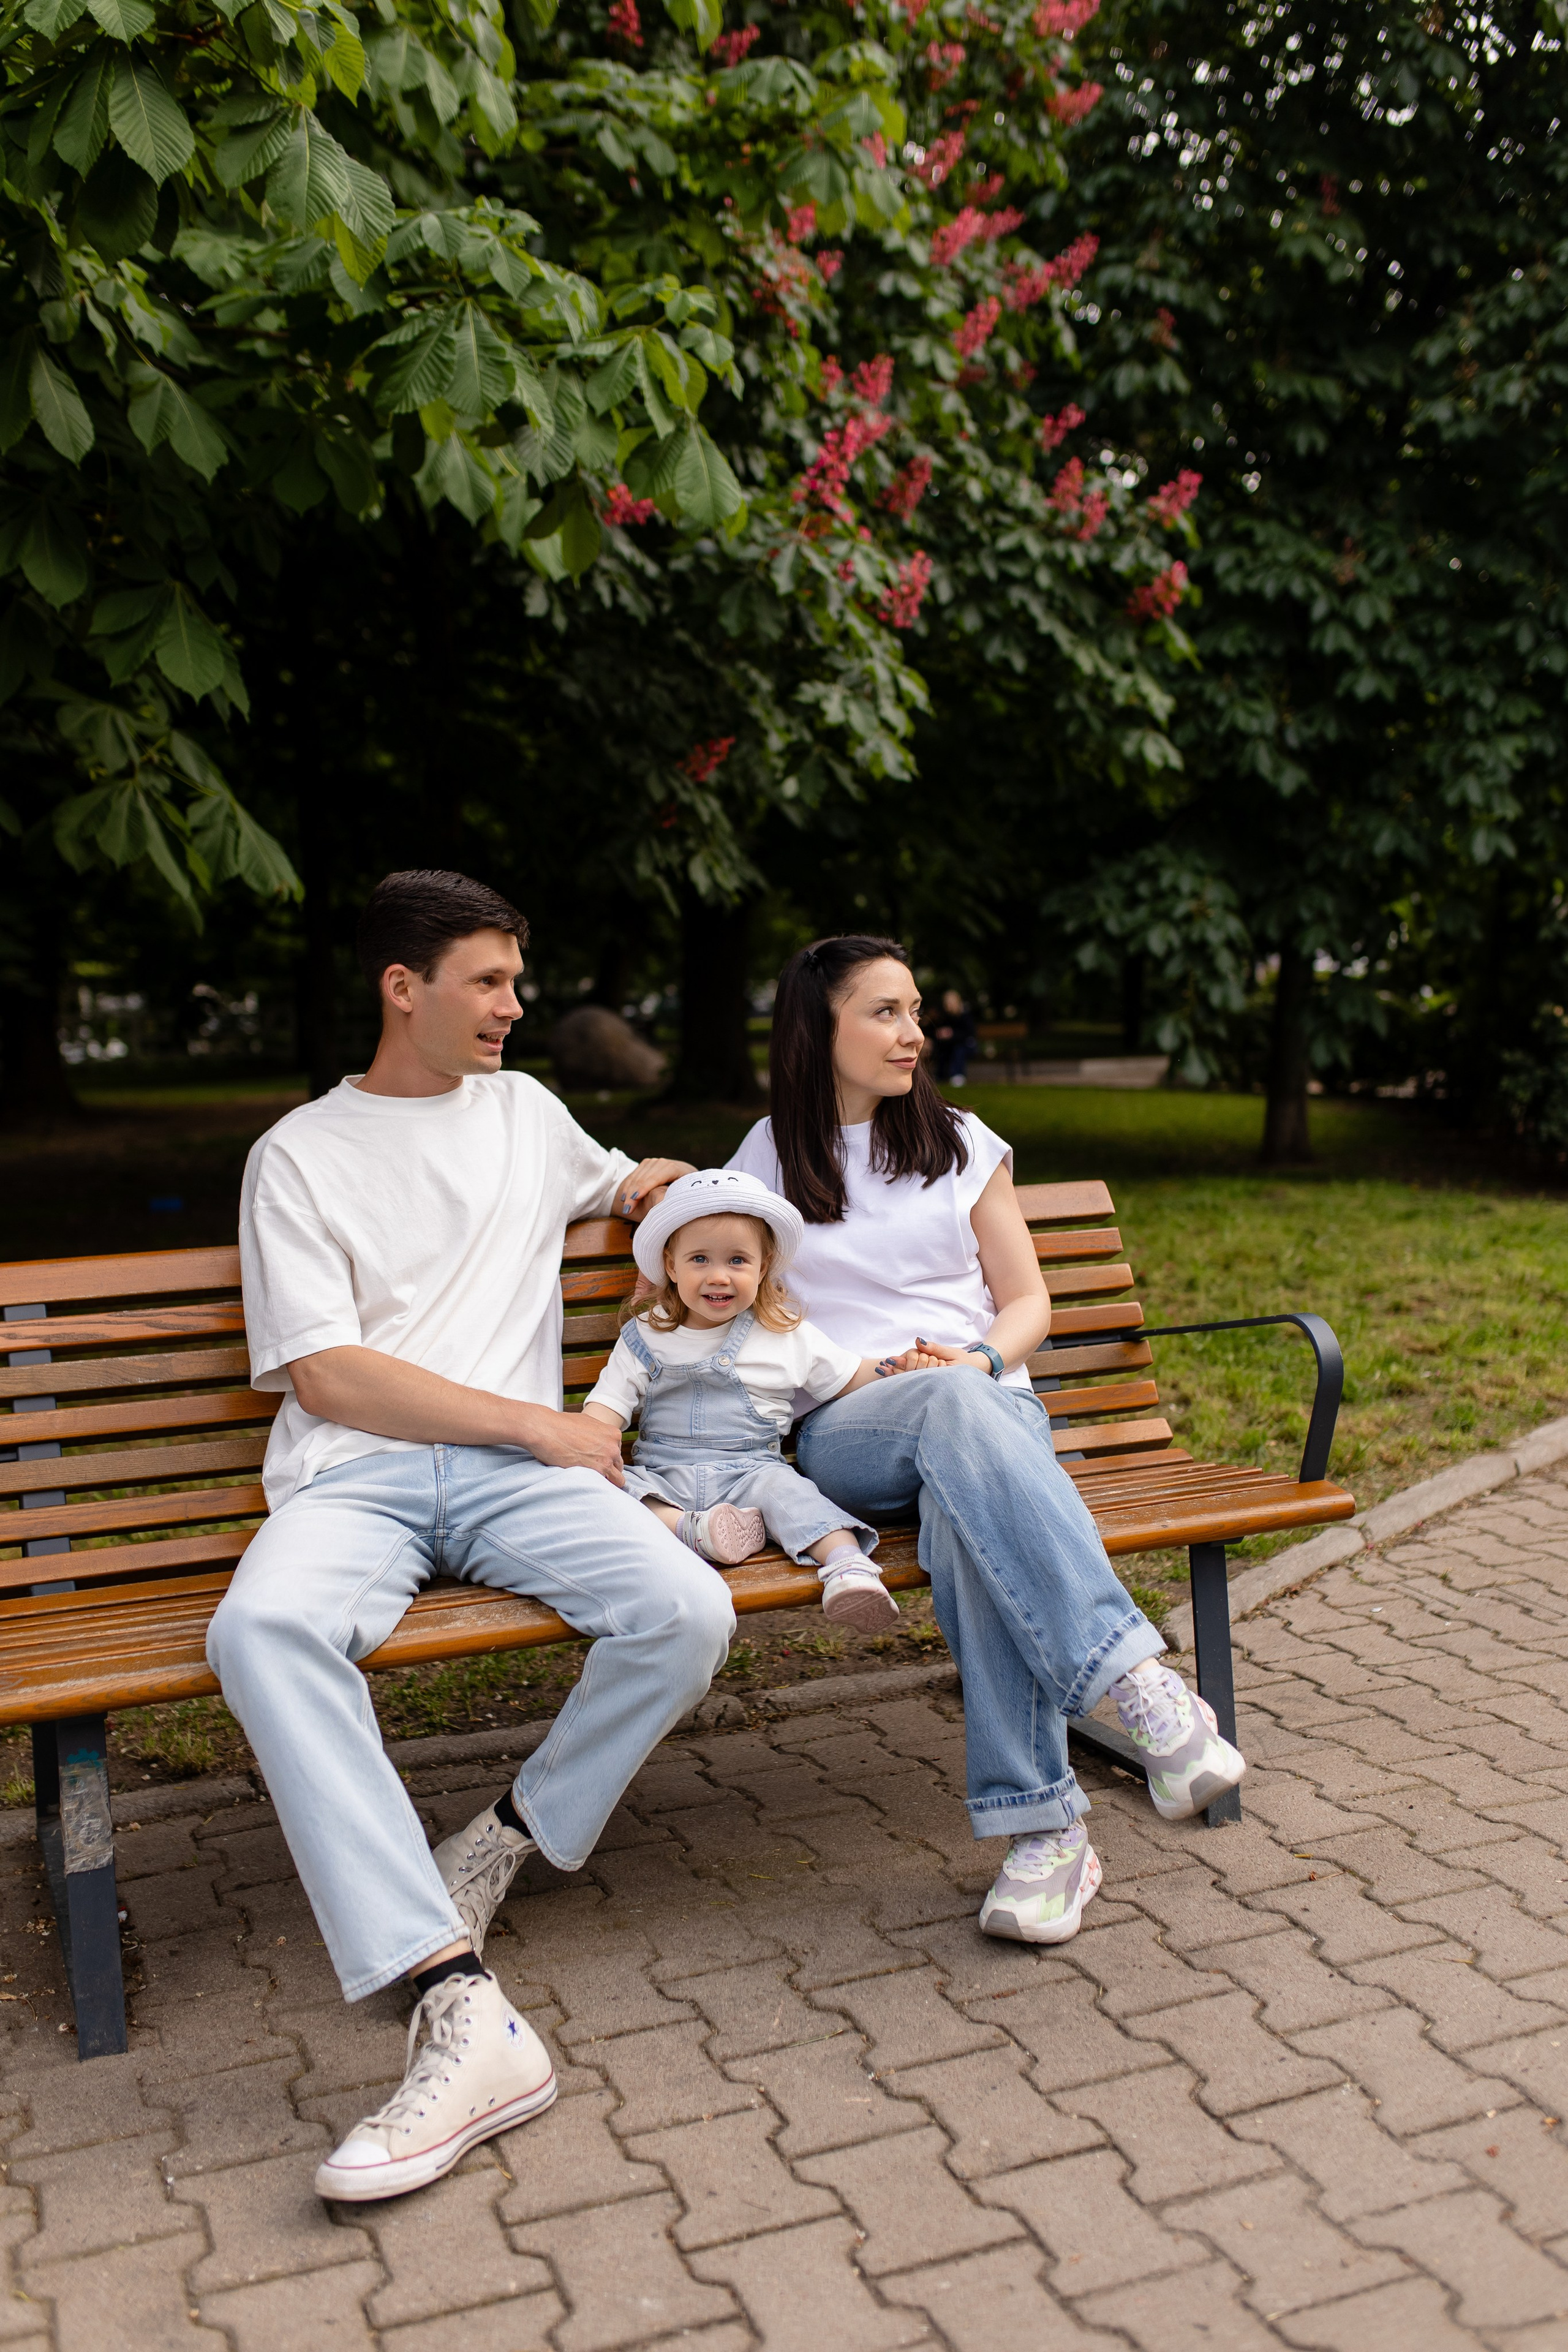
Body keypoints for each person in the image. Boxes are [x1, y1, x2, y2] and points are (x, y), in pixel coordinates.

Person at [209, 869, 724, 2204]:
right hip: (358, 1478)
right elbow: (326, 1375)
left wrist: (654, 1184)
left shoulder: (525, 1112)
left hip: (509, 1480)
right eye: (489, 981)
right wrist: (538, 1424)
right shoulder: (300, 1157)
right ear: (404, 988)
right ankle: (454, 1996)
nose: (514, 1003)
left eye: (514, 977)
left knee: (686, 1611)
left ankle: (498, 1842)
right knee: (261, 1629)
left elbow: (618, 1182)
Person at [728, 934, 1245, 1947]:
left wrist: (975, 1365)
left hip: (986, 1405)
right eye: (885, 1011)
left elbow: (1027, 1303)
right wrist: (861, 1374)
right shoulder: (765, 1161)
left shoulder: (962, 1139)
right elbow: (747, 1317)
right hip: (853, 1425)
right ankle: (1132, 1686)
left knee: (969, 1496)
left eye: (916, 1011)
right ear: (816, 1028)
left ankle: (1046, 1835)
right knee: (954, 1416)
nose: (913, 1031)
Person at [582, 1167, 935, 1630]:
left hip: (751, 1473)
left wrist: (905, 1365)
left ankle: (848, 1568)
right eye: (700, 1260)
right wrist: (590, 1445)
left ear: (763, 1266)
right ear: (671, 1266)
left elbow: (851, 1375)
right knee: (615, 1490)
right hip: (663, 1474)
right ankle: (694, 1529)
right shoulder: (645, 1337)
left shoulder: (784, 1334)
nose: (719, 1277)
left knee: (793, 1495)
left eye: (737, 1261)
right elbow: (605, 1409)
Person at [930, 987, 978, 1086]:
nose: (949, 1005)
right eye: (947, 1003)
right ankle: (940, 1076)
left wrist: (952, 1034)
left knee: (958, 1050)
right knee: (942, 1049)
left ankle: (958, 1075)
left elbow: (969, 1034)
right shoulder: (945, 1016)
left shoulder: (965, 1015)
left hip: (966, 1045)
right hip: (950, 1045)